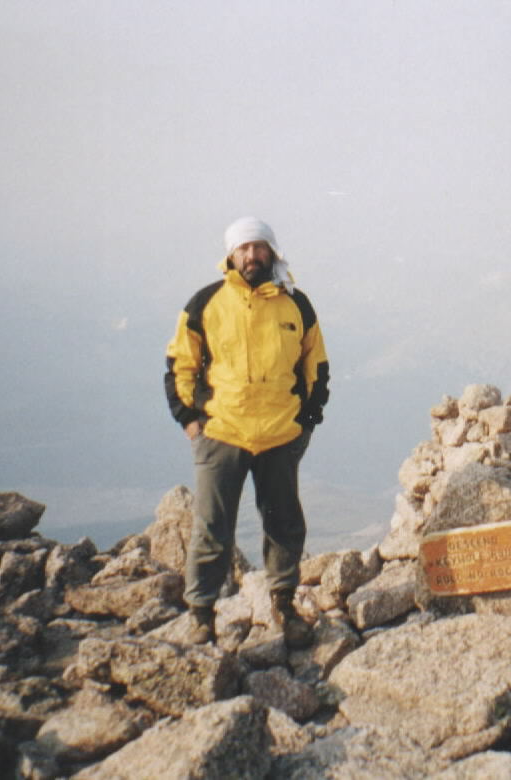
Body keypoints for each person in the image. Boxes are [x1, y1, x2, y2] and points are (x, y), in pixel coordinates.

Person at [164, 217, 329, 648]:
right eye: (243, 249)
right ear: (230, 255)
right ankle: (201, 615)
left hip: (280, 434)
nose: (252, 256)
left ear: (272, 251)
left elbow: (316, 365)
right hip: (222, 432)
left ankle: (285, 606)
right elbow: (180, 363)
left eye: (259, 247)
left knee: (284, 522)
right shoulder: (206, 303)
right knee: (212, 526)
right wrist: (189, 420)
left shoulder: (296, 305)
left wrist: (306, 422)